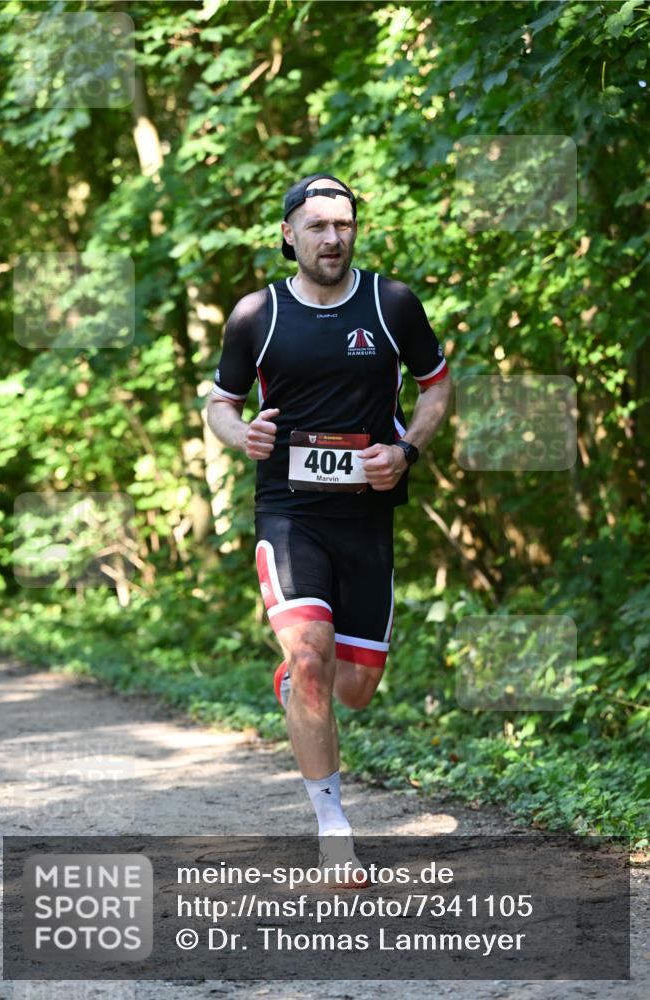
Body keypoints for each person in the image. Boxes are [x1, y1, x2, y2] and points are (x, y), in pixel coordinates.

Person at [206, 173, 451, 884]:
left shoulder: (391, 304)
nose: (331, 237)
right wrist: (239, 434)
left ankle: (302, 679)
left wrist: (404, 453)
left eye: (342, 224)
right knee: (310, 656)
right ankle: (333, 831)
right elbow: (218, 404)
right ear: (289, 234)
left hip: (367, 518)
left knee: (353, 688)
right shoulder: (258, 314)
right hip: (288, 510)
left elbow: (435, 386)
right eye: (316, 226)